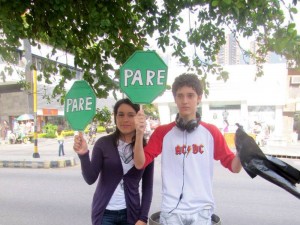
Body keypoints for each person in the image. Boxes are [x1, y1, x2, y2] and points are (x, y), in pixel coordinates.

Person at [134, 73, 242, 225]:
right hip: (171, 211)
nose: (185, 101)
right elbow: (140, 163)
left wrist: (241, 151)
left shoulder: (211, 132)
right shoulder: (162, 132)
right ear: (175, 99)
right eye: (180, 96)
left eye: (190, 95)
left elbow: (234, 167)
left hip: (202, 211)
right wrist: (139, 135)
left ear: (199, 98)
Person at [73, 98, 154, 225]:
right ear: (115, 117)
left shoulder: (147, 148)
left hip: (131, 214)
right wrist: (83, 154)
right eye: (120, 115)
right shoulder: (103, 144)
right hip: (105, 214)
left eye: (131, 115)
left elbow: (147, 187)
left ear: (138, 117)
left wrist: (143, 218)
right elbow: (90, 178)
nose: (125, 119)